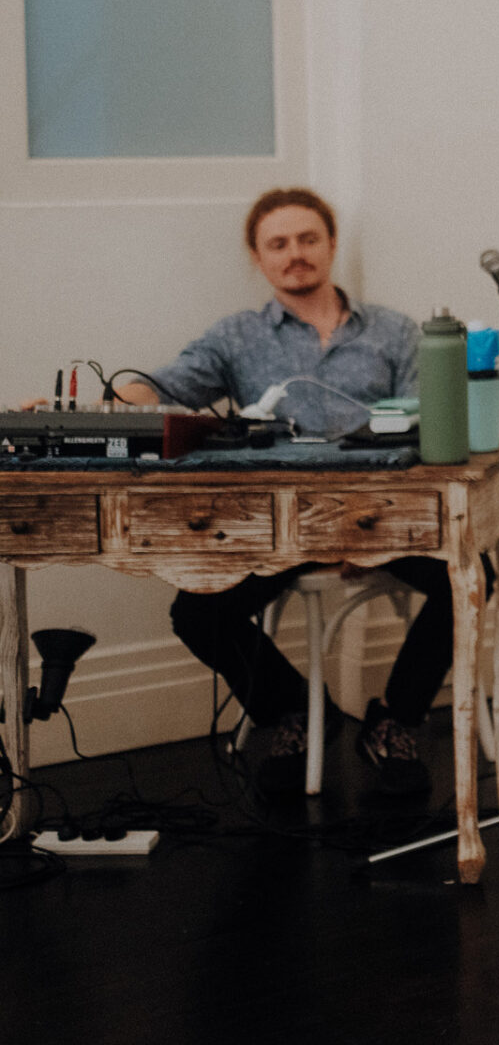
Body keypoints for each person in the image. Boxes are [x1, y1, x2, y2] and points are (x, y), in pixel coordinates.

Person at [124, 188, 443, 799]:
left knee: (471, 574)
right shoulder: (237, 337)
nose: (295, 254)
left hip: (383, 518)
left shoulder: (396, 332)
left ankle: (396, 720)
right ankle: (292, 710)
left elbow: (427, 429)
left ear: (330, 245)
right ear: (258, 257)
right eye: (279, 244)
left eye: (307, 239)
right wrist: (84, 409)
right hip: (277, 525)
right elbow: (164, 389)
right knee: (196, 613)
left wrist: (370, 529)